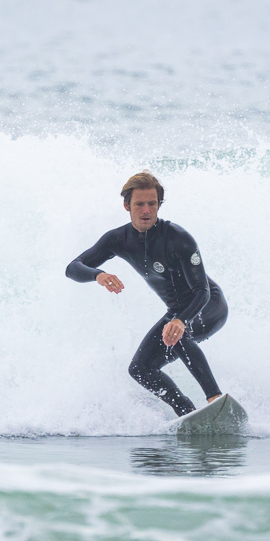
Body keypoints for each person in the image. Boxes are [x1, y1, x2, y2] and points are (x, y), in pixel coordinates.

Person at [65, 171, 228, 417]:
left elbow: (202, 291)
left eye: (152, 204)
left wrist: (181, 320)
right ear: (126, 205)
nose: (146, 210)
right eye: (139, 204)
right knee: (140, 368)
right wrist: (98, 275)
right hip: (177, 313)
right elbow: (73, 267)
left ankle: (215, 399)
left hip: (207, 306)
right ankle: (186, 413)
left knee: (177, 334)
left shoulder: (178, 238)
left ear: (158, 205)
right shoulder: (118, 239)